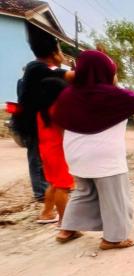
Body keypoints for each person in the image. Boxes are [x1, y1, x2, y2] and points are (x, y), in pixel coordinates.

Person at [53, 50, 134, 250]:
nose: (115, 75)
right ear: (104, 73)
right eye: (112, 70)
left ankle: (67, 229)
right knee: (115, 199)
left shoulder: (68, 94)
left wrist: (69, 144)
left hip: (75, 154)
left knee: (83, 192)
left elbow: (58, 121)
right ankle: (113, 238)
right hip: (105, 158)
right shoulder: (116, 95)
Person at [13, 23, 74, 201]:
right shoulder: (37, 68)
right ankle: (40, 193)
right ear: (54, 52)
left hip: (39, 120)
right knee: (36, 157)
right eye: (60, 50)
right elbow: (73, 77)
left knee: (46, 158)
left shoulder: (38, 69)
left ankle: (49, 194)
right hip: (31, 122)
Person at [36, 79, 74, 225]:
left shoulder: (42, 110)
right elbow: (62, 132)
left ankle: (46, 213)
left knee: (53, 183)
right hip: (58, 150)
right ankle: (65, 222)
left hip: (46, 150)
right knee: (63, 186)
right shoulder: (57, 109)